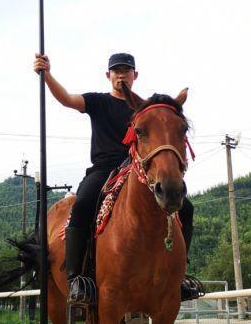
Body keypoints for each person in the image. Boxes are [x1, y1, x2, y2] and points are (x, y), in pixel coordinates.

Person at [33, 52, 199, 303]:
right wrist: (47, 75)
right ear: (108, 75)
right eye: (116, 70)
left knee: (185, 208)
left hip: (138, 167)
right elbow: (66, 99)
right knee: (82, 205)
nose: (121, 74)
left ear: (135, 75)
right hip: (104, 168)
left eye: (127, 70)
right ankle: (77, 278)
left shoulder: (145, 108)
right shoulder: (98, 102)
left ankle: (179, 276)